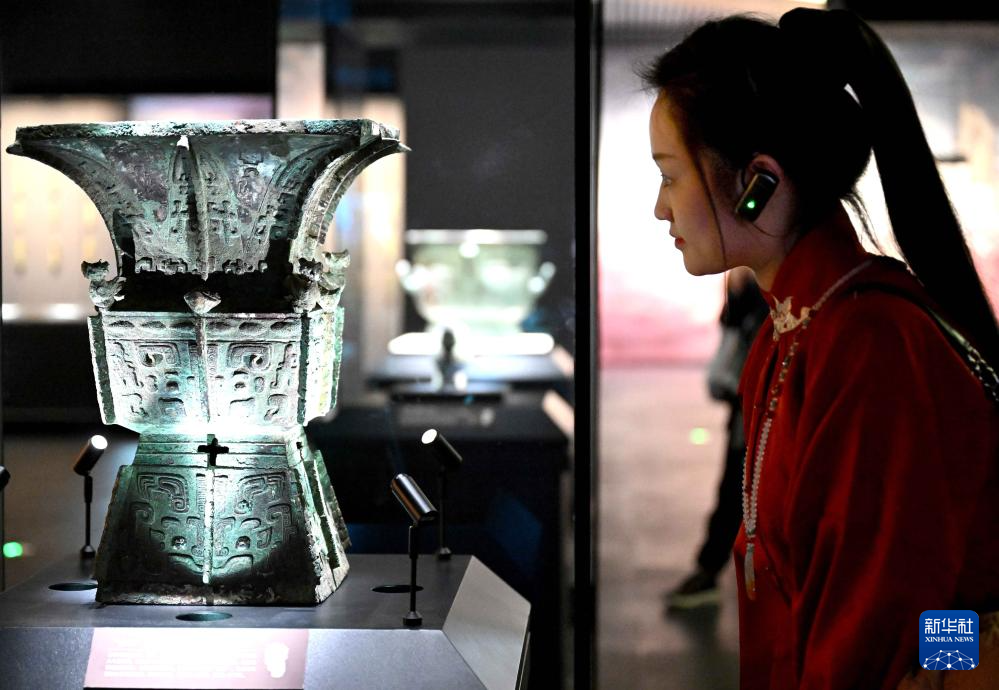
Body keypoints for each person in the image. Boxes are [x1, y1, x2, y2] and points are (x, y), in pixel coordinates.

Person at [643, 8, 999, 689]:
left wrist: (950, 653)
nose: (662, 207)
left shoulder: (869, 344)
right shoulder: (799, 327)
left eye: (669, 174)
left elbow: (889, 626)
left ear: (758, 185)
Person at [666, 268, 768, 611]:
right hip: (747, 411)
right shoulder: (750, 290)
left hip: (756, 414)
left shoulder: (771, 295)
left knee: (738, 492)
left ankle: (710, 570)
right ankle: (710, 569)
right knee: (735, 490)